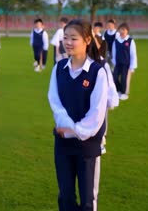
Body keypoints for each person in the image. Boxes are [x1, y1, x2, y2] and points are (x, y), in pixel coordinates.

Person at [48, 19, 108, 211]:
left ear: (87, 40)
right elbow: (55, 101)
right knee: (65, 197)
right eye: (65, 38)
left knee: (88, 200)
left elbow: (97, 112)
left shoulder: (97, 73)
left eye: (73, 38)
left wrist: (76, 130)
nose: (68, 42)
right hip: (63, 143)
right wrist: (66, 128)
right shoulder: (59, 68)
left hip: (87, 146)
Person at [112, 23, 137, 100]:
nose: (122, 31)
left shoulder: (130, 41)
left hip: (126, 64)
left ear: (127, 31)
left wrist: (132, 66)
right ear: (118, 30)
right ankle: (119, 90)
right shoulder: (116, 41)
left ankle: (124, 93)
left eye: (124, 30)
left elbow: (133, 54)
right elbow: (114, 52)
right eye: (121, 29)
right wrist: (114, 63)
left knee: (124, 79)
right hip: (118, 64)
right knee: (114, 77)